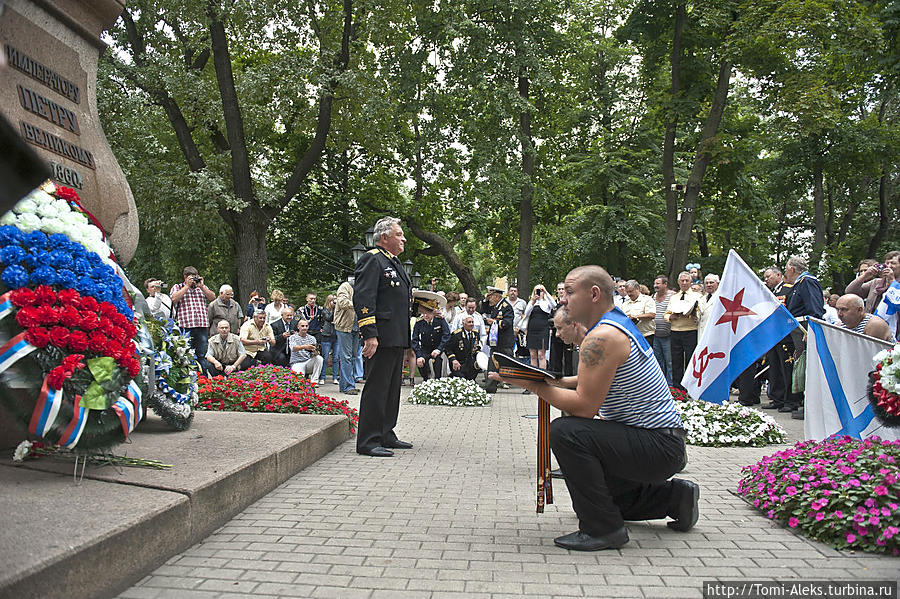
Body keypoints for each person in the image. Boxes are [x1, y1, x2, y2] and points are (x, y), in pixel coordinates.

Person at [491, 266, 697, 551]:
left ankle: (604, 529)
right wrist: (549, 379)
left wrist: (533, 385)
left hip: (658, 444)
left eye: (570, 292)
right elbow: (589, 379)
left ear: (594, 294)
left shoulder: (601, 337)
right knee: (603, 497)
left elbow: (584, 408)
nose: (563, 299)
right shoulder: (615, 325)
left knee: (566, 431)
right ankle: (676, 498)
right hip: (663, 443)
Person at [354, 216, 414, 457]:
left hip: (396, 335)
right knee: (377, 388)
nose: (403, 239)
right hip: (380, 335)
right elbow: (364, 298)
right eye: (399, 234)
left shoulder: (395, 263)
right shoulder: (372, 259)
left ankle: (386, 432)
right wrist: (370, 334)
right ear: (385, 237)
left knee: (391, 389)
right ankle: (368, 440)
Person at [784, 255, 825, 419]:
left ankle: (811, 405)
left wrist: (812, 331)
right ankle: (806, 403)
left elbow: (814, 308)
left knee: (808, 366)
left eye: (786, 267)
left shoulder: (807, 281)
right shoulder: (799, 284)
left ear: (792, 268)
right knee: (802, 366)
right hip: (799, 329)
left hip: (806, 329)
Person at [761, 266, 794, 411]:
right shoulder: (770, 292)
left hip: (785, 335)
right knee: (774, 368)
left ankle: (789, 400)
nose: (766, 279)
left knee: (786, 368)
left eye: (769, 276)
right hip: (772, 335)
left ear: (779, 275)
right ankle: (777, 398)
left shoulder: (788, 289)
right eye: (765, 277)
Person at [170, 266, 216, 371]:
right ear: (185, 277)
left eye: (195, 277)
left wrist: (202, 286)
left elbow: (213, 298)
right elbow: (174, 299)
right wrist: (186, 286)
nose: (194, 280)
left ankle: (203, 377)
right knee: (186, 354)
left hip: (201, 325)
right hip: (185, 326)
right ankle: (189, 378)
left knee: (202, 354)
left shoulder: (201, 288)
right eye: (191, 278)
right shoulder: (178, 287)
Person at [665, 271, 701, 390]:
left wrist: (694, 315)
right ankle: (677, 389)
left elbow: (701, 313)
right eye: (682, 281)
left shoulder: (697, 296)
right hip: (675, 331)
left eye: (687, 280)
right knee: (676, 361)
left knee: (691, 360)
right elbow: (666, 314)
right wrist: (670, 317)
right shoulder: (674, 297)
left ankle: (692, 388)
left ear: (691, 282)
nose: (684, 283)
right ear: (678, 282)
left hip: (690, 330)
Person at [412, 291, 451, 380]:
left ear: (433, 312)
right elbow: (415, 340)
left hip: (437, 347)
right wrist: (419, 355)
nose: (426, 315)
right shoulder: (419, 323)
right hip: (425, 348)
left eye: (428, 312)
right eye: (424, 312)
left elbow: (446, 335)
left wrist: (439, 349)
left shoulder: (440, 320)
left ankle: (437, 380)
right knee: (421, 362)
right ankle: (426, 379)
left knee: (437, 361)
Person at [483, 285, 515, 393]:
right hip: (495, 341)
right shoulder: (496, 306)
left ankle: (515, 382)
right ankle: (490, 387)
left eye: (491, 296)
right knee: (492, 364)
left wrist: (495, 322)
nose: (490, 299)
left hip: (504, 342)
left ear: (497, 297)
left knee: (508, 363)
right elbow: (484, 309)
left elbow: (507, 322)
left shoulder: (506, 307)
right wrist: (485, 300)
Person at [334, 278, 359, 394]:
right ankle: (349, 386)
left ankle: (345, 385)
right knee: (346, 357)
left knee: (353, 357)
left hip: (356, 327)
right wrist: (358, 304)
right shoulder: (345, 287)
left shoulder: (361, 288)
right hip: (344, 327)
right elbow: (342, 302)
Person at [523, 284, 556, 370]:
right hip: (532, 330)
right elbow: (526, 313)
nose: (539, 292)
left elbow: (554, 304)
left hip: (543, 329)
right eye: (537, 290)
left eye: (541, 290)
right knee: (533, 355)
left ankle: (542, 374)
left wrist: (546, 293)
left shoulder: (546, 303)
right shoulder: (532, 303)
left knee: (541, 354)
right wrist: (533, 301)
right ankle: (534, 375)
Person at [549, 282, 576, 377]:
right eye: (559, 289)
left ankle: (569, 378)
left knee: (568, 358)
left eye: (562, 289)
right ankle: (557, 378)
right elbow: (551, 317)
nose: (561, 291)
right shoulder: (554, 304)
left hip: (568, 333)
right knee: (556, 357)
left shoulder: (570, 303)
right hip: (556, 334)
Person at [652, 275, 674, 385]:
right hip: (656, 335)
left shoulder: (672, 296)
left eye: (658, 283)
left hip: (668, 335)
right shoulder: (653, 296)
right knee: (658, 361)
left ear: (665, 284)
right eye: (655, 283)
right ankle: (660, 385)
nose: (655, 286)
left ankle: (671, 386)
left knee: (670, 362)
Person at [621, 280, 656, 346]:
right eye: (627, 292)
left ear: (637, 289)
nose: (629, 294)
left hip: (646, 336)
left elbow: (652, 315)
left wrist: (636, 316)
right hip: (631, 336)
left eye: (631, 291)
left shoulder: (647, 300)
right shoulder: (625, 304)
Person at [447, 315, 482, 380]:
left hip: (470, 363)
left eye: (472, 322)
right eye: (469, 322)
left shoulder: (475, 333)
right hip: (459, 362)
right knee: (461, 381)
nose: (471, 324)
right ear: (463, 324)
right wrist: (453, 360)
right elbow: (448, 349)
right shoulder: (456, 335)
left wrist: (479, 358)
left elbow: (476, 347)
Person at [696, 274, 720, 338]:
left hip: (715, 333)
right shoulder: (702, 298)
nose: (709, 285)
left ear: (718, 284)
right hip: (702, 332)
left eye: (711, 283)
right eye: (706, 283)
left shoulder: (721, 298)